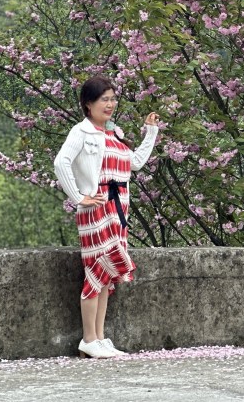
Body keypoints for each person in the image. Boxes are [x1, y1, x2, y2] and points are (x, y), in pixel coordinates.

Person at [53, 75, 160, 359]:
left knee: (107, 272)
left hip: (118, 206)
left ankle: (99, 337)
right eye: (104, 99)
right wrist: (78, 197)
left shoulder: (114, 133)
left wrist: (150, 133)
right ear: (88, 104)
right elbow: (60, 162)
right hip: (96, 206)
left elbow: (134, 163)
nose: (110, 104)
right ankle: (89, 338)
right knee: (96, 269)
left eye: (113, 99)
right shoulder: (81, 131)